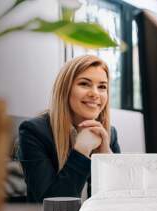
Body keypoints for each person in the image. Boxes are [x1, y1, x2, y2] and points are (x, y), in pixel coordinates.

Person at [17, 55, 120, 202]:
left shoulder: (109, 133)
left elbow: (118, 202)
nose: (95, 93)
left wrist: (106, 159)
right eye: (84, 84)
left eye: (102, 87)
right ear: (65, 89)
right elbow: (51, 208)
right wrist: (81, 152)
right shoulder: (34, 132)